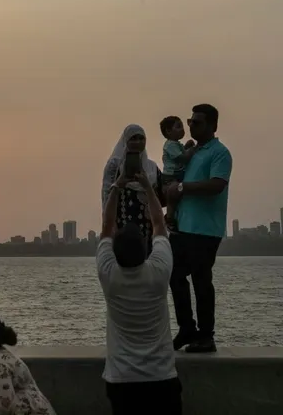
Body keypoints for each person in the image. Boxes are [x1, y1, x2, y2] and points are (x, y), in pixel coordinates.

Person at [99, 169, 182, 415]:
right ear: (145, 247)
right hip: (162, 378)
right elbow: (158, 223)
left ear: (115, 251)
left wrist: (116, 187)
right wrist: (147, 186)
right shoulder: (158, 272)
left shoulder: (109, 276)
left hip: (122, 381)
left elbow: (106, 226)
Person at [165, 104, 232, 353]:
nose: (191, 126)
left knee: (201, 281)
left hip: (205, 230)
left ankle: (206, 335)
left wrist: (183, 188)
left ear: (213, 126)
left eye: (197, 122)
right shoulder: (191, 153)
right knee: (173, 275)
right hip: (183, 228)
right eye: (190, 121)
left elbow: (217, 184)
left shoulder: (220, 153)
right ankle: (187, 329)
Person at [101, 124, 165, 254]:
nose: (138, 142)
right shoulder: (115, 166)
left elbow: (161, 199)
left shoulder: (151, 168)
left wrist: (147, 186)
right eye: (133, 138)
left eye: (141, 138)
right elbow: (106, 196)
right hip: (121, 227)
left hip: (148, 228)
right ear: (125, 141)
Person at [159, 116, 196, 228]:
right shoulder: (170, 144)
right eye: (178, 127)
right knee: (172, 198)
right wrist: (193, 149)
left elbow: (182, 152)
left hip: (177, 177)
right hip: (170, 178)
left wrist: (187, 147)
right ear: (168, 131)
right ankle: (169, 218)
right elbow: (182, 158)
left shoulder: (176, 144)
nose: (182, 129)